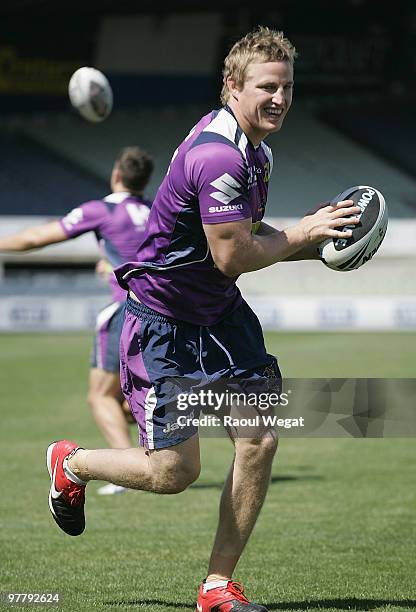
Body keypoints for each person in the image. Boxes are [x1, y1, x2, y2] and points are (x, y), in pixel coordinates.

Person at [46, 27, 361, 610]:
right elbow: (232, 255)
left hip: (220, 317)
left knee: (260, 438)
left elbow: (247, 235)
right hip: (162, 325)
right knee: (173, 471)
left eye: (287, 87)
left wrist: (315, 237)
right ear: (233, 86)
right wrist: (302, 234)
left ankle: (217, 586)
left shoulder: (255, 150)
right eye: (268, 87)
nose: (280, 99)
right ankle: (74, 463)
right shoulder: (217, 155)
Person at [0, 147, 153, 495]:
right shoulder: (158, 210)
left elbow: (35, 238)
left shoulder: (101, 209)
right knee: (131, 397)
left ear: (116, 174)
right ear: (144, 181)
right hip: (164, 313)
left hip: (125, 311)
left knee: (100, 396)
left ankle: (124, 473)